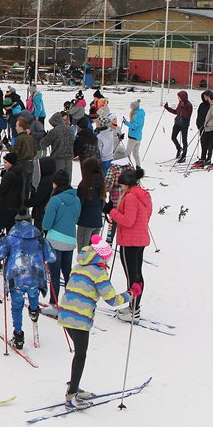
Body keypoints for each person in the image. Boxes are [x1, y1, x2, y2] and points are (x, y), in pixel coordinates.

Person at [58, 235, 137, 408]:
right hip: (79, 317)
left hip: (65, 314)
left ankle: (73, 386)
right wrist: (131, 294)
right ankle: (71, 396)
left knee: (78, 354)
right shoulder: (98, 272)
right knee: (80, 355)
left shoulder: (79, 266)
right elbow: (112, 300)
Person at [0, 210, 56, 349]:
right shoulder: (39, 238)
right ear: (30, 222)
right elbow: (52, 257)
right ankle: (34, 310)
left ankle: (18, 335)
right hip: (35, 276)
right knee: (33, 293)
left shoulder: (10, 238)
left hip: (16, 278)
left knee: (17, 306)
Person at [106, 167, 152, 320]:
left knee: (132, 276)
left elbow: (128, 220)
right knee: (136, 274)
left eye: (121, 185)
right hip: (139, 239)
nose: (120, 187)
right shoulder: (143, 195)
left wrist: (111, 211)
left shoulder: (131, 197)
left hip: (130, 240)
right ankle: (133, 306)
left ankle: (134, 310)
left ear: (127, 183)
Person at [42, 169, 80, 305]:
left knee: (54, 273)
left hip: (55, 240)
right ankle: (71, 301)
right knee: (67, 271)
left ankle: (54, 303)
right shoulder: (76, 199)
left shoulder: (55, 200)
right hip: (70, 239)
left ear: (56, 184)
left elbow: (46, 224)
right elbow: (76, 219)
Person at [75, 157, 104, 251]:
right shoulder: (101, 181)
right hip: (97, 220)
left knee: (83, 252)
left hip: (86, 221)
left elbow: (79, 204)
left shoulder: (85, 184)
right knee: (92, 252)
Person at [40, 112, 75, 180]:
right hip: (69, 157)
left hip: (58, 158)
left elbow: (44, 143)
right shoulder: (71, 129)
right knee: (67, 178)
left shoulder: (54, 131)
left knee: (58, 179)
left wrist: (44, 136)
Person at [193, 92, 213, 169]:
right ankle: (202, 160)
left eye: (208, 97)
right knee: (204, 144)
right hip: (207, 129)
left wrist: (207, 124)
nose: (207, 98)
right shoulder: (211, 105)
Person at [164, 91, 192, 162]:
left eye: (179, 96)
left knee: (184, 140)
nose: (178, 98)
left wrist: (183, 107)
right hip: (177, 123)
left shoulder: (189, 105)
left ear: (183, 97)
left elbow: (187, 115)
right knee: (173, 137)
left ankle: (184, 156)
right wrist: (168, 108)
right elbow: (176, 112)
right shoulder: (180, 103)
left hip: (184, 125)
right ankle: (179, 148)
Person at [122, 100, 145, 169]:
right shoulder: (141, 114)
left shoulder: (136, 115)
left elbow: (134, 126)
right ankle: (138, 166)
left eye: (131, 107)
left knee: (127, 152)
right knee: (135, 153)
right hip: (138, 137)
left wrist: (126, 122)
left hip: (133, 137)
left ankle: (125, 166)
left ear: (133, 108)